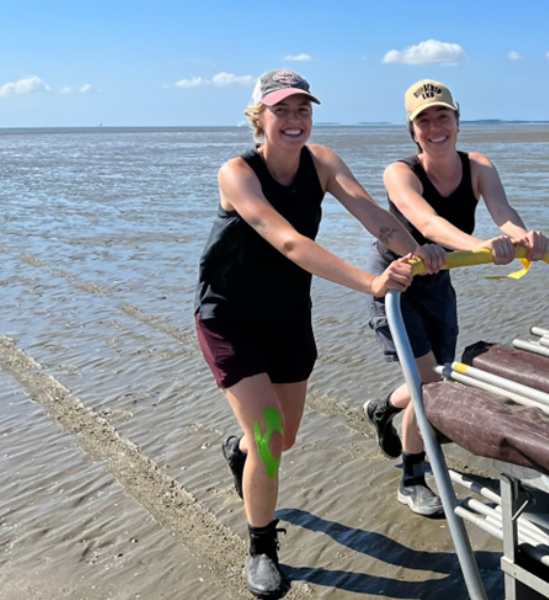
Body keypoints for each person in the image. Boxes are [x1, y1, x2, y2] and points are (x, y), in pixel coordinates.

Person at [194, 69, 446, 598]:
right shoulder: (236, 173)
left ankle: (239, 455)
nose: (293, 120)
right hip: (229, 318)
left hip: (288, 316)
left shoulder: (323, 162)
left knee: (280, 440)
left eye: (302, 110)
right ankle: (262, 548)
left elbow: (372, 213)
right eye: (281, 110)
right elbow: (287, 241)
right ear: (258, 118)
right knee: (268, 437)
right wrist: (371, 282)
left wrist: (413, 248)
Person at [362, 79, 549, 517]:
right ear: (413, 131)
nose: (435, 127)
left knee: (437, 376)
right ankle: (412, 478)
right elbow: (425, 222)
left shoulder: (479, 165)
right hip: (399, 281)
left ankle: (382, 408)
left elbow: (502, 212)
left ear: (458, 121)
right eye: (423, 120)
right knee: (428, 387)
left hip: (442, 277)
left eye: (442, 116)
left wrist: (522, 238)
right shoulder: (400, 173)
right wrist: (479, 247)